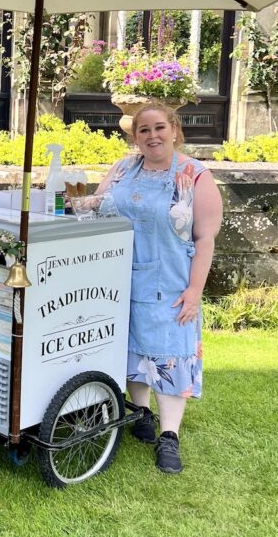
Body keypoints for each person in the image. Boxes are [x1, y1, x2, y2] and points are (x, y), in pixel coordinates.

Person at [95, 102, 223, 473]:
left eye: (159, 128)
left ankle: (169, 436)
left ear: (174, 129)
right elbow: (97, 206)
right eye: (144, 130)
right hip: (119, 278)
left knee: (169, 353)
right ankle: (141, 414)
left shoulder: (194, 175)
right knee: (133, 350)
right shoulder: (122, 168)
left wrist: (195, 290)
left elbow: (205, 240)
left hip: (170, 281)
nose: (152, 136)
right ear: (134, 136)